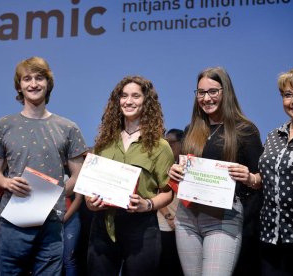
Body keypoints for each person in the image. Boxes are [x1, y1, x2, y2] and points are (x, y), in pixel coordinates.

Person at [0, 56, 87, 275]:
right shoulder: (3, 125)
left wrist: (54, 195)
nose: (33, 84)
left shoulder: (68, 127)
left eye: (39, 78)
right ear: (19, 86)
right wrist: (6, 182)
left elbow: (78, 175)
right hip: (12, 220)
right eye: (27, 79)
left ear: (48, 83)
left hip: (51, 221)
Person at [168, 67, 263, 276]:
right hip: (187, 217)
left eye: (213, 91)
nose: (206, 98)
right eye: (201, 92)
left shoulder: (245, 130)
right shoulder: (191, 129)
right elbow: (184, 170)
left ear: (225, 91)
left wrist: (249, 177)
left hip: (224, 216)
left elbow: (262, 179)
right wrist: (174, 172)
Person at [85, 75, 175, 275]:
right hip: (102, 226)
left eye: (135, 96)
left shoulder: (160, 146)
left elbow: (168, 192)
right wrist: (89, 202)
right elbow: (89, 186)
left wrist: (148, 204)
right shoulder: (103, 142)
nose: (128, 101)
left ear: (146, 102)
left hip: (142, 228)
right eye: (124, 96)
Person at [258, 66, 293, 276]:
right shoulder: (274, 135)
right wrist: (251, 178)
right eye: (287, 95)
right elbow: (268, 179)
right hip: (271, 238)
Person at [157, 128, 184, 276]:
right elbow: (157, 192)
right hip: (165, 226)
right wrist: (169, 218)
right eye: (166, 142)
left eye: (171, 143)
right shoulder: (163, 164)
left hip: (184, 226)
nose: (168, 146)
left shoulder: (188, 166)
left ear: (182, 143)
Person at [63, 173, 83, 276]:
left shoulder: (74, 171)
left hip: (70, 219)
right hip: (49, 219)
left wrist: (63, 219)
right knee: (49, 258)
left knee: (69, 259)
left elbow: (78, 199)